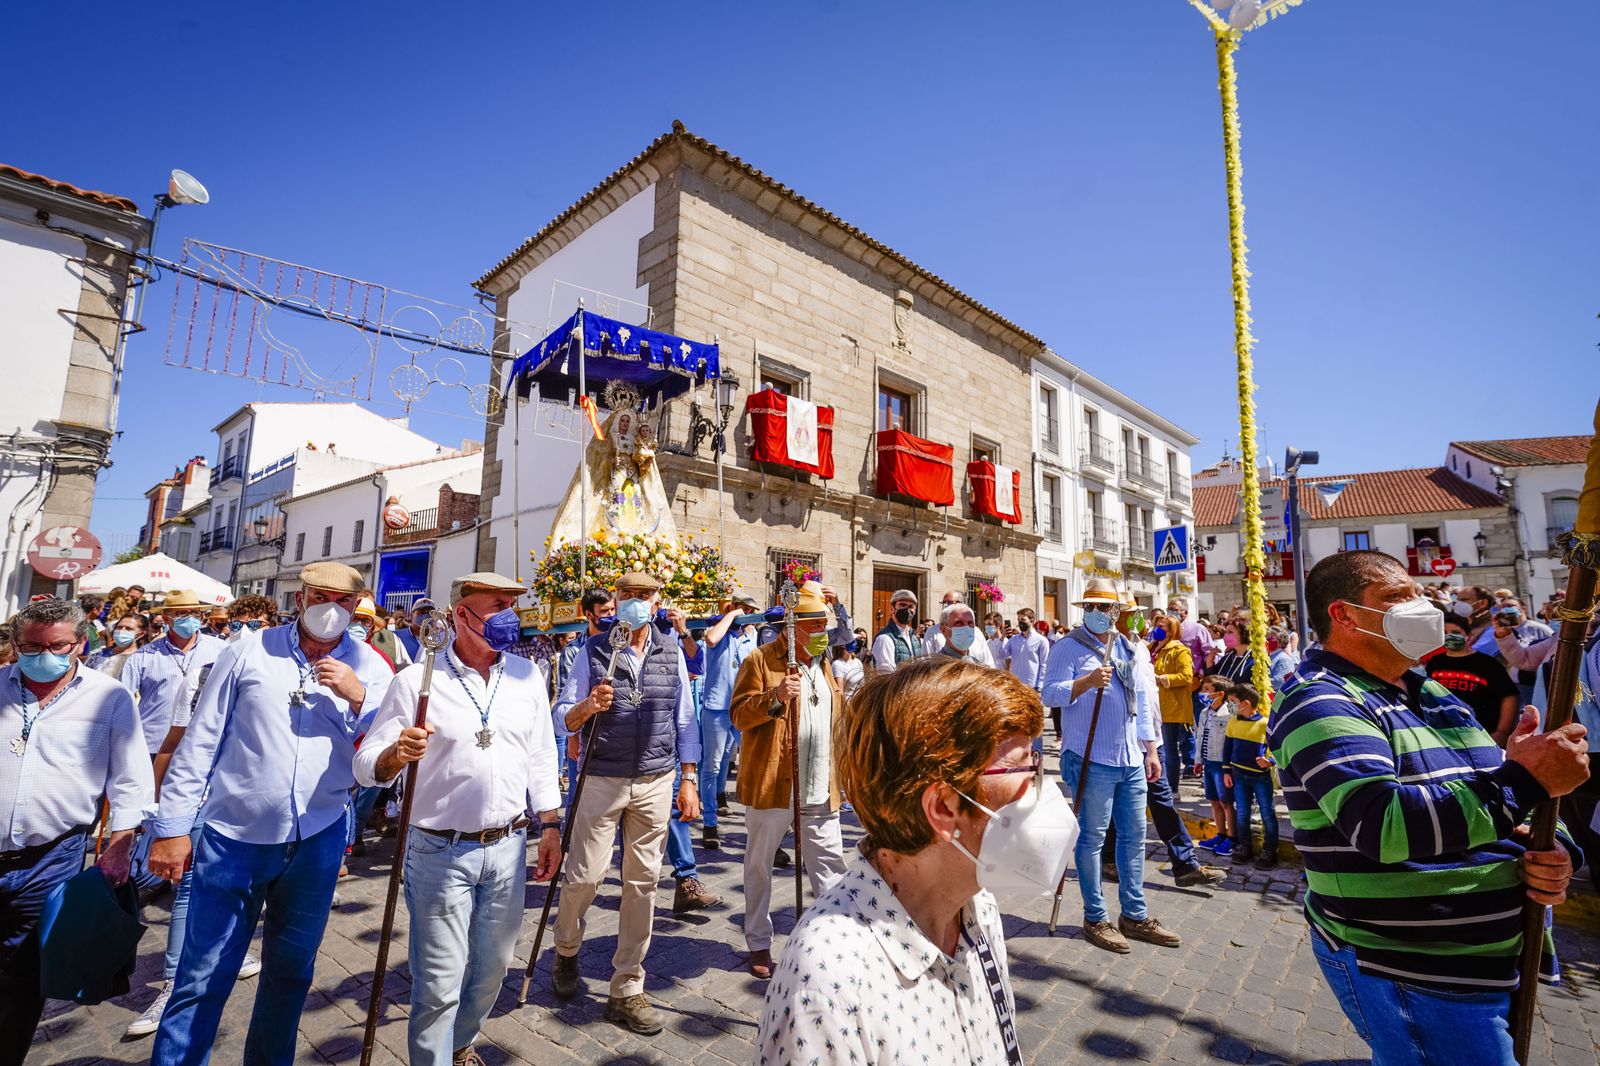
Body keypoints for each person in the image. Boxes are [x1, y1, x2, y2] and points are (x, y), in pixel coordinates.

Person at [1267, 550, 1586, 1064]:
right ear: (1344, 615)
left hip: (1492, 958)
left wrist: (1557, 853)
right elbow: (1386, 825)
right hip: (1411, 970)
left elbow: (1496, 796)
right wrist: (1526, 779)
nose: (1422, 605)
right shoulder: (1318, 701)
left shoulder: (1431, 690)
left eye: (1419, 593)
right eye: (1397, 597)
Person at [758, 655, 1071, 1064]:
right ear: (944, 808)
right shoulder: (828, 978)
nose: (1040, 787)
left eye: (1038, 764)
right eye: (1023, 768)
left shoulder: (979, 909)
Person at [147, 562, 394, 1066]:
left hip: (319, 836)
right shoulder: (248, 650)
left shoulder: (371, 665)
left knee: (291, 974)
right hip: (234, 836)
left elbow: (386, 756)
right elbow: (201, 740)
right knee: (202, 976)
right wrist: (171, 828)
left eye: (343, 601)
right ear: (300, 598)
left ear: (357, 607)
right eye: (321, 596)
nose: (332, 608)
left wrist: (360, 696)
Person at [353, 572, 562, 1066]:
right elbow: (366, 766)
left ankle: (459, 1042)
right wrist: (396, 755)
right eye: (497, 604)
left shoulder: (526, 675)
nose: (510, 613)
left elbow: (540, 753)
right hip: (438, 851)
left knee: (492, 969)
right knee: (439, 982)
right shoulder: (419, 679)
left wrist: (550, 824)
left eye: (513, 602)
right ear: (461, 615)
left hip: (509, 847)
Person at [0, 597, 155, 1062]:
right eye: (31, 647)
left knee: (24, 975)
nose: (43, 655)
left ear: (80, 644)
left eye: (57, 646)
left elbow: (130, 777)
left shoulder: (108, 697)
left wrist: (120, 843)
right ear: (15, 645)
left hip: (51, 858)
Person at [548, 571, 702, 1035]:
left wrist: (689, 778)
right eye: (627, 595)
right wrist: (586, 708)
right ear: (614, 602)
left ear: (657, 602)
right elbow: (562, 716)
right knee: (585, 877)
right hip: (601, 778)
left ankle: (627, 986)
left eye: (644, 595)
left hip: (655, 780)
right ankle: (567, 947)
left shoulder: (671, 651)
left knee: (643, 884)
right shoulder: (591, 652)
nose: (635, 602)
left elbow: (686, 719)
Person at [1042, 579, 1181, 953]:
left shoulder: (1126, 647)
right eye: (1095, 607)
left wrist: (1151, 749)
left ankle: (1134, 915)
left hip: (1130, 758)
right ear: (1083, 609)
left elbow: (1137, 702)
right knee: (1092, 838)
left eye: (1109, 609)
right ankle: (1095, 916)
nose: (1103, 614)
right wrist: (1086, 682)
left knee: (1134, 837)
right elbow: (1048, 693)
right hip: (1090, 757)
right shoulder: (1067, 647)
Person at [729, 581, 850, 979]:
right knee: (759, 868)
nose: (823, 635)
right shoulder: (760, 661)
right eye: (817, 627)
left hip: (819, 785)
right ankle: (759, 942)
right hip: (773, 785)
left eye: (825, 628)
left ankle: (833, 942)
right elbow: (739, 716)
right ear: (793, 626)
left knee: (831, 869)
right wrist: (776, 697)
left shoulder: (826, 664)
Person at [1100, 601, 1224, 890]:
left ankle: (1185, 864)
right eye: (1133, 616)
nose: (1140, 621)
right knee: (1122, 802)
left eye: (1140, 615)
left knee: (1161, 802)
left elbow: (1147, 698)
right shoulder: (1113, 648)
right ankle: (1109, 858)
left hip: (1148, 739)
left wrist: (1152, 745)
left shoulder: (1141, 649)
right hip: (1128, 741)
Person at [120, 589, 228, 900]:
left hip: (202, 748)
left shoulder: (220, 650)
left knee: (193, 815)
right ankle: (152, 873)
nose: (189, 618)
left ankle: (184, 874)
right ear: (166, 618)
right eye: (181, 613)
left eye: (194, 612)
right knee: (156, 814)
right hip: (154, 745)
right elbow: (124, 704)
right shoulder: (144, 657)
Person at [696, 594, 759, 851]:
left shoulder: (751, 636)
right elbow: (710, 638)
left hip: (743, 708)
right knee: (711, 765)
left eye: (750, 610)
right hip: (716, 707)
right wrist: (731, 616)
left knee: (752, 763)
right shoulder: (718, 633)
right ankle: (710, 823)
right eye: (744, 609)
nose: (747, 614)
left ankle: (757, 825)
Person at [1427, 612, 1519, 745]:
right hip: (1445, 735)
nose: (1449, 635)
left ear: (1468, 636)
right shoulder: (1435, 662)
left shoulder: (1486, 663)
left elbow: (1509, 696)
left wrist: (1502, 732)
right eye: (1444, 632)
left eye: (1455, 631)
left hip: (1482, 734)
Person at [1221, 683, 1277, 869]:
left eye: (1232, 702)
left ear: (1245, 703)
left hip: (1260, 777)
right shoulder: (1233, 722)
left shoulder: (1265, 724)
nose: (1229, 705)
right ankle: (1244, 847)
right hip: (1238, 775)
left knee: (1267, 813)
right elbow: (1227, 748)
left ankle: (1270, 851)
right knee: (1242, 813)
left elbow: (1278, 747)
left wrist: (1270, 761)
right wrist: (1226, 770)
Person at [1193, 675, 1237, 857]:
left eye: (1208, 690)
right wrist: (1198, 760)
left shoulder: (1229, 714)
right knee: (1213, 800)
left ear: (1220, 693)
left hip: (1221, 763)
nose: (1204, 693)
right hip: (1208, 761)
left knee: (1226, 802)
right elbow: (1200, 738)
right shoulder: (1205, 713)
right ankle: (1220, 834)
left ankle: (1233, 838)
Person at [1151, 613, 1195, 792]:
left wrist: (1162, 679)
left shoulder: (1180, 650)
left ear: (1172, 631)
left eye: (1162, 627)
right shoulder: (1151, 647)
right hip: (1153, 705)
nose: (1157, 630)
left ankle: (1172, 788)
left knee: (1169, 750)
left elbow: (1187, 676)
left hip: (1171, 707)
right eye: (1157, 625)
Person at [871, 588, 921, 672]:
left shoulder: (915, 637)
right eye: (902, 605)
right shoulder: (884, 638)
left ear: (915, 610)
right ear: (892, 609)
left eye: (911, 606)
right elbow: (886, 674)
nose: (907, 609)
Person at [88, 611, 148, 681]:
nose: (122, 631)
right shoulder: (98, 654)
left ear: (140, 634)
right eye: (119, 627)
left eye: (128, 628)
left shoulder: (142, 660)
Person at [934, 600, 995, 665]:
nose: (966, 627)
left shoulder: (979, 667)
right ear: (943, 629)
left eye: (970, 623)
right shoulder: (934, 668)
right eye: (959, 623)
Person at [1007, 607, 1050, 695]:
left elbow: (1044, 664)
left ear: (1032, 620)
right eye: (1018, 620)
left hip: (1031, 686)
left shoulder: (1041, 640)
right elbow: (1001, 654)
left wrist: (1040, 686)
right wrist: (1003, 637)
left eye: (1023, 619)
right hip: (1015, 684)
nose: (1020, 623)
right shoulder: (1013, 639)